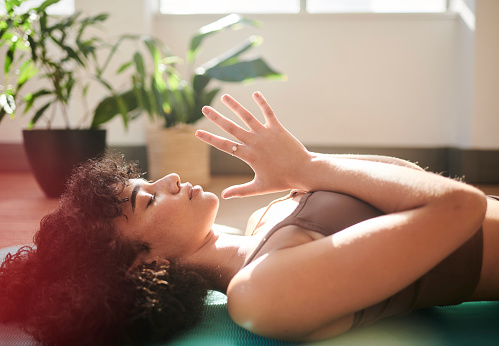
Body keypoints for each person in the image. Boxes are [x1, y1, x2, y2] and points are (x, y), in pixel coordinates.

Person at [0, 92, 496, 345]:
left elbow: (407, 176)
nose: (168, 179)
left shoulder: (265, 219)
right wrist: (312, 169)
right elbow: (460, 206)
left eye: (146, 183)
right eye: (148, 201)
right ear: (144, 267)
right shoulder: (260, 294)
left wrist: (302, 167)